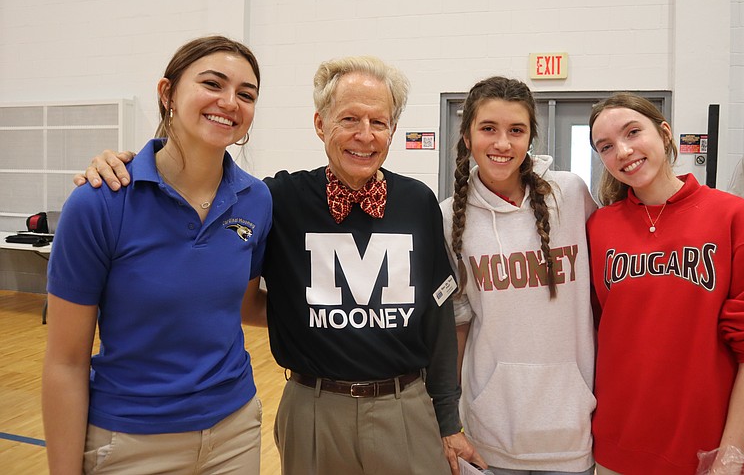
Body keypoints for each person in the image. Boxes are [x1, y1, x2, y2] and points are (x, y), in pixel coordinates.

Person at [77, 55, 483, 475]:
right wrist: (123, 166)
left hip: (406, 407)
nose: (365, 135)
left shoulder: (417, 202)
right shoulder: (274, 200)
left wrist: (449, 419)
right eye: (349, 119)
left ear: (393, 131)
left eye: (379, 123)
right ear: (320, 124)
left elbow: (437, 319)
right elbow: (195, 192)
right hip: (311, 409)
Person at [43, 36, 271, 474]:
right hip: (130, 442)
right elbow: (65, 362)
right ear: (167, 93)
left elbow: (244, 306)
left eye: (246, 94)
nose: (229, 102)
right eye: (212, 84)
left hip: (235, 434)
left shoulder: (256, 200)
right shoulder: (100, 201)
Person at [586, 93, 744, 475]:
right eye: (606, 146)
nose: (622, 151)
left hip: (704, 450)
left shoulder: (735, 219)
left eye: (633, 132)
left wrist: (732, 455)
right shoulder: (599, 227)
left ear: (665, 133)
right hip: (615, 444)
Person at [441, 76, 597, 475]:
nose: (502, 144)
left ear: (531, 137)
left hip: (570, 426)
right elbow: (459, 324)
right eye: (488, 128)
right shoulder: (447, 217)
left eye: (516, 130)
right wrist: (447, 420)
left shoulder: (571, 194)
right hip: (491, 426)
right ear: (467, 134)